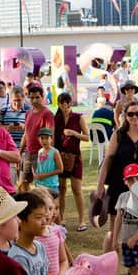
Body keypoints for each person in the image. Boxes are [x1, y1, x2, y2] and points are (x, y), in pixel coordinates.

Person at [92, 99, 138, 236]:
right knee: (114, 227)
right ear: (125, 116)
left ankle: (135, 248)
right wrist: (100, 185)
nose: (134, 117)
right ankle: (114, 248)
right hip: (119, 182)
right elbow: (107, 160)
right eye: (130, 114)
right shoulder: (118, 134)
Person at [55, 92, 89, 230]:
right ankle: (61, 219)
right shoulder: (56, 118)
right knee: (61, 189)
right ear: (59, 104)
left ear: (71, 103)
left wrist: (73, 133)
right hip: (60, 157)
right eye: (62, 103)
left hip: (75, 157)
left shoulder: (78, 117)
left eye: (68, 102)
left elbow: (87, 137)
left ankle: (82, 221)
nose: (65, 105)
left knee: (77, 189)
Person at [20, 85, 55, 186]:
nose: (34, 100)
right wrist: (20, 151)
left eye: (37, 97)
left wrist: (48, 155)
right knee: (23, 184)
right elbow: (26, 134)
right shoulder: (28, 113)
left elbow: (51, 136)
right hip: (28, 153)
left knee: (41, 185)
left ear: (42, 97)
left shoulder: (47, 113)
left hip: (41, 154)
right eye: (31, 97)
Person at [33, 128, 63, 198]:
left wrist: (45, 175)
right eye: (42, 138)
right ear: (38, 139)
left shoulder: (55, 152)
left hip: (51, 185)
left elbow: (60, 169)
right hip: (40, 185)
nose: (44, 141)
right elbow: (40, 166)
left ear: (51, 139)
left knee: (52, 203)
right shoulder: (40, 151)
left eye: (47, 138)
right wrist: (36, 175)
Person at [0, 87, 29, 151]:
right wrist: (7, 127)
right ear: (11, 99)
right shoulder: (3, 110)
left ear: (23, 98)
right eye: (14, 100)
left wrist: (24, 127)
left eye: (19, 100)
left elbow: (34, 130)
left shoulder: (29, 111)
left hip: (24, 149)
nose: (17, 103)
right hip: (7, 149)